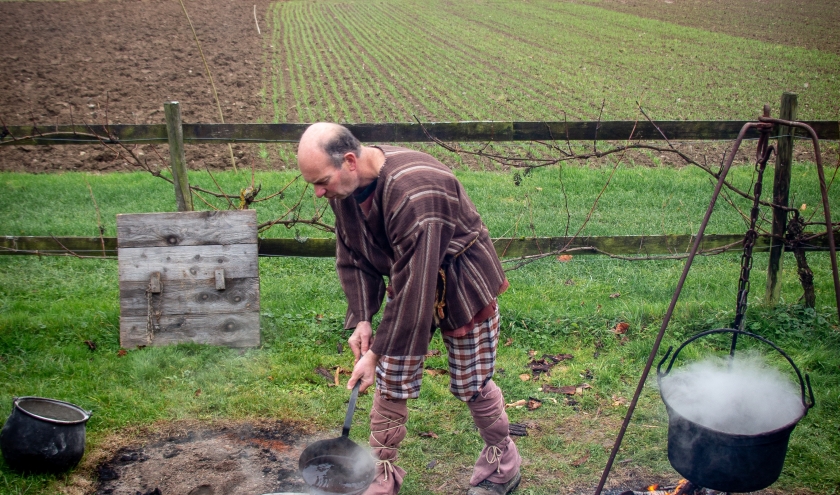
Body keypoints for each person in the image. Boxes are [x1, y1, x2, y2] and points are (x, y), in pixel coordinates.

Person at [296, 123, 522, 495]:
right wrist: (364, 319)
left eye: (321, 181)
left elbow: (414, 289)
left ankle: (503, 462)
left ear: (350, 161)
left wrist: (379, 352)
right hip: (412, 277)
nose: (319, 192)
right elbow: (354, 256)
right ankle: (381, 471)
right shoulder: (347, 191)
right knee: (392, 374)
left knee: (471, 381)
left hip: (461, 279)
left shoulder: (415, 193)